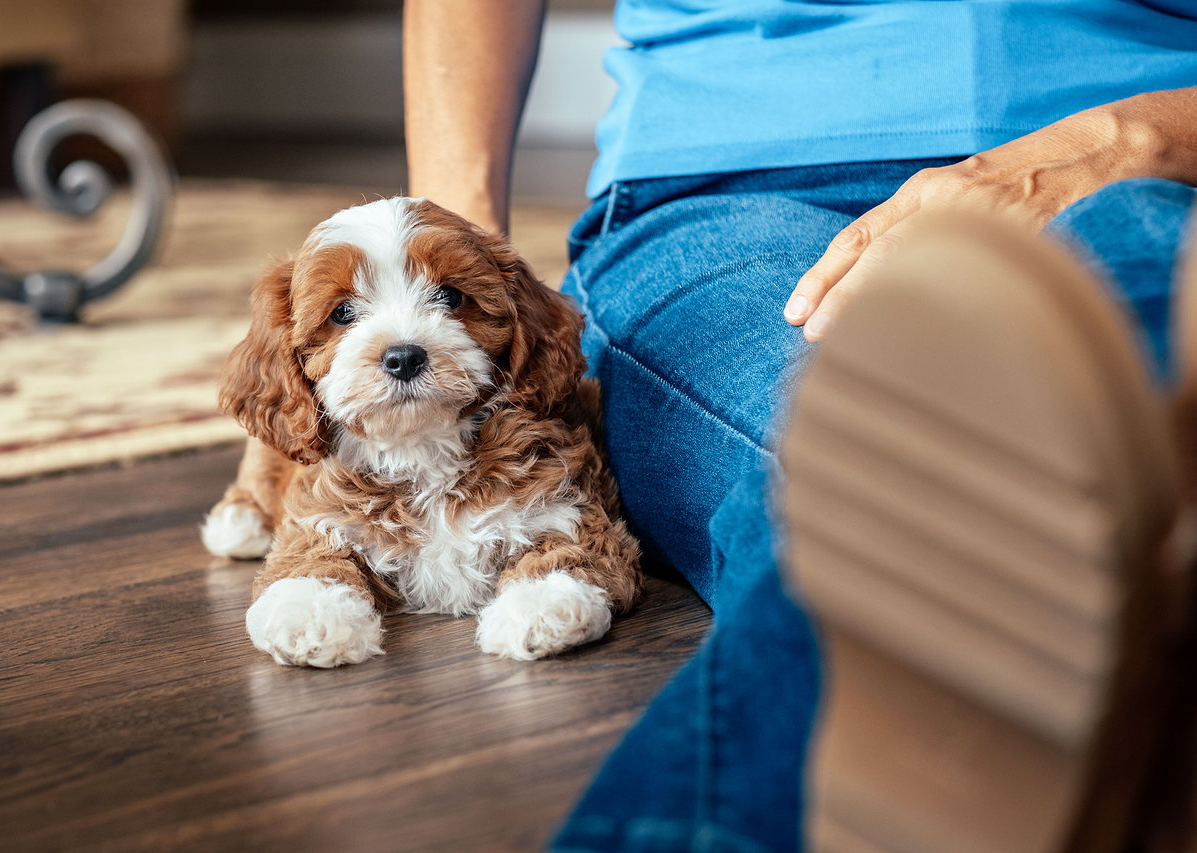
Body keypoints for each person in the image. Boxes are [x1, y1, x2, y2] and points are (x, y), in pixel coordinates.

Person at [402, 1, 1197, 850]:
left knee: (1112, 402)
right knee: (898, 464)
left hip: (1141, 169)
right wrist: (442, 271)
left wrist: (1142, 134)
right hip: (733, 183)